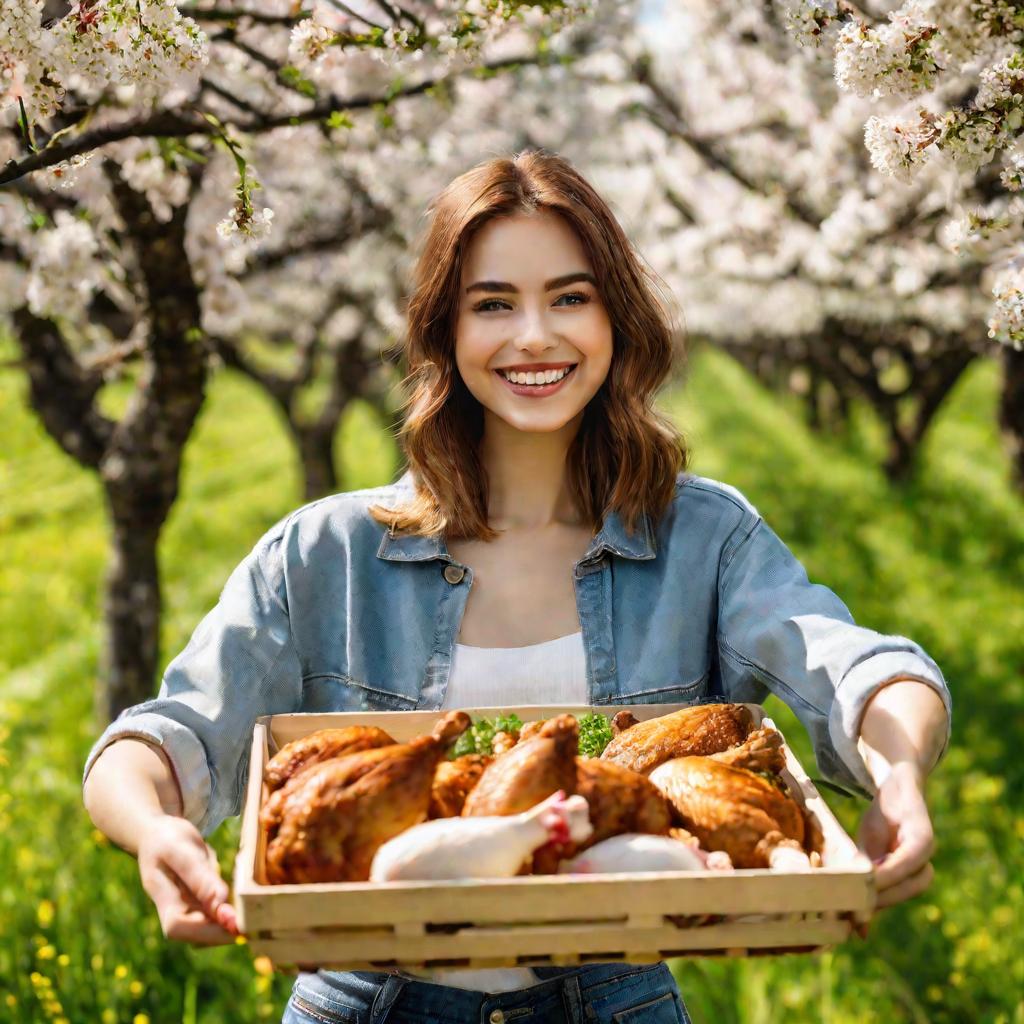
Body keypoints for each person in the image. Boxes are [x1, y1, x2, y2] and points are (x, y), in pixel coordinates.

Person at [81, 150, 952, 1024]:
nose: (534, 336)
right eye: (492, 304)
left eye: (571, 298)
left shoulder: (702, 538)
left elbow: (854, 666)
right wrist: (156, 830)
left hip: (613, 999)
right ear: (445, 332)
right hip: (364, 1002)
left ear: (618, 319)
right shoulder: (325, 553)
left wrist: (902, 772)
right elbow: (167, 736)